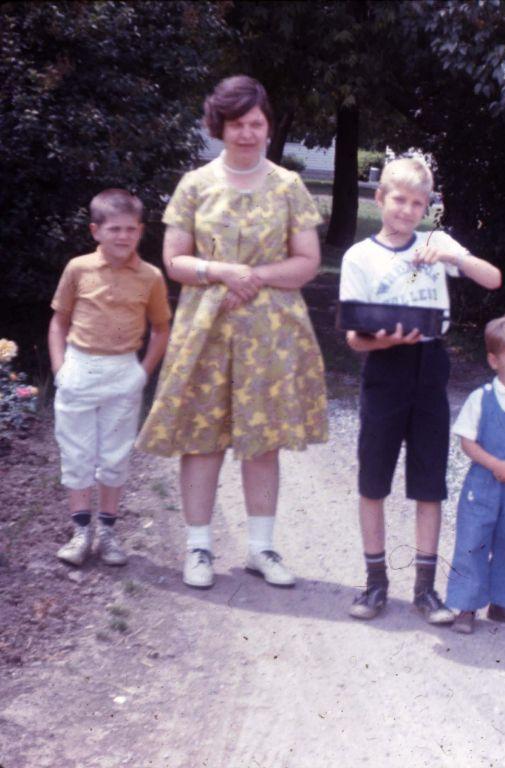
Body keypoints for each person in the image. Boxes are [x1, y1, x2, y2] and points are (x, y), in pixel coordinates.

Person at [136, 75, 328, 590]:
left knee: (262, 442)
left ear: (268, 126)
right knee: (201, 440)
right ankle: (198, 549)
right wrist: (222, 272)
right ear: (219, 126)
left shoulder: (288, 186)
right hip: (205, 328)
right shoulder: (195, 184)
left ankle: (261, 548)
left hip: (271, 331)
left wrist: (257, 276)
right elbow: (173, 260)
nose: (247, 133)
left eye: (256, 123)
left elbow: (308, 262)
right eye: (237, 124)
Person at [340, 156, 502, 624]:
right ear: (380, 199)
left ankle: (425, 589)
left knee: (429, 482)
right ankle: (374, 583)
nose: (407, 211)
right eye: (399, 200)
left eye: (418, 203)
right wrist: (389, 338)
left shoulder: (436, 241)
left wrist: (453, 256)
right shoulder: (360, 257)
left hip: (430, 363)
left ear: (427, 206)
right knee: (373, 479)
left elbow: (493, 279)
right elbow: (354, 335)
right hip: (385, 366)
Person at [50, 189, 171, 567]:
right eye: (114, 228)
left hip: (123, 370)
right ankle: (80, 531)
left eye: (130, 229)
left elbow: (161, 328)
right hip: (80, 369)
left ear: (140, 231)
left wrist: (142, 371)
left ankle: (107, 531)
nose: (123, 236)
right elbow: (59, 321)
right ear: (95, 230)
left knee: (115, 456)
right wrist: (60, 370)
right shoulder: (78, 268)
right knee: (77, 453)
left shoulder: (150, 276)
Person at [446, 315, 505, 634]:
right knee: (473, 540)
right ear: (494, 360)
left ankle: (504, 604)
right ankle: (466, 605)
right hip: (484, 484)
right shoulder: (481, 398)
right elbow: (466, 441)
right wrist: (495, 465)